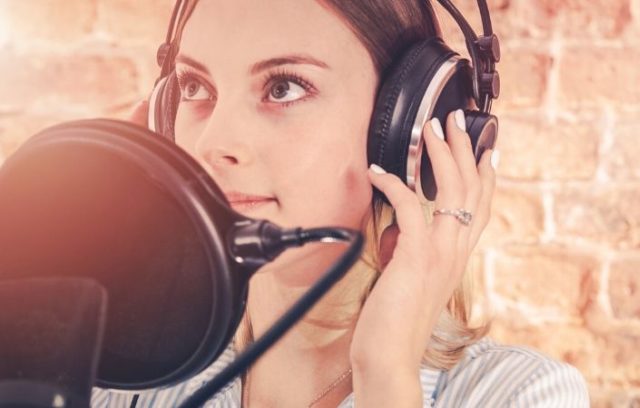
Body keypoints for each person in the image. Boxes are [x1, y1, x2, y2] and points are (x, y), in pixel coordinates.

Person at [92, 0, 589, 406]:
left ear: (407, 128)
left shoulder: (522, 395)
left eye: (283, 87)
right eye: (195, 87)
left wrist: (386, 380)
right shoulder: (121, 374)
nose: (212, 143)